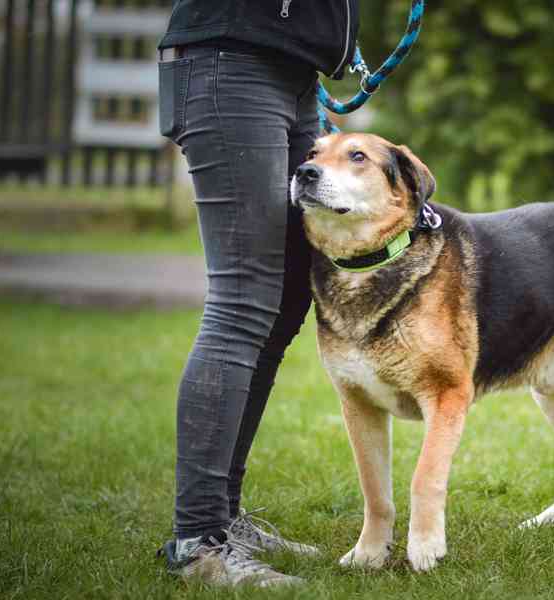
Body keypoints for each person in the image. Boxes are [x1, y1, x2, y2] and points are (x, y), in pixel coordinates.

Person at [154, 0, 360, 587]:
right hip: (231, 62)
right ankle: (197, 542)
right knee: (242, 300)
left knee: (290, 292)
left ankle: (224, 516)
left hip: (289, 71)